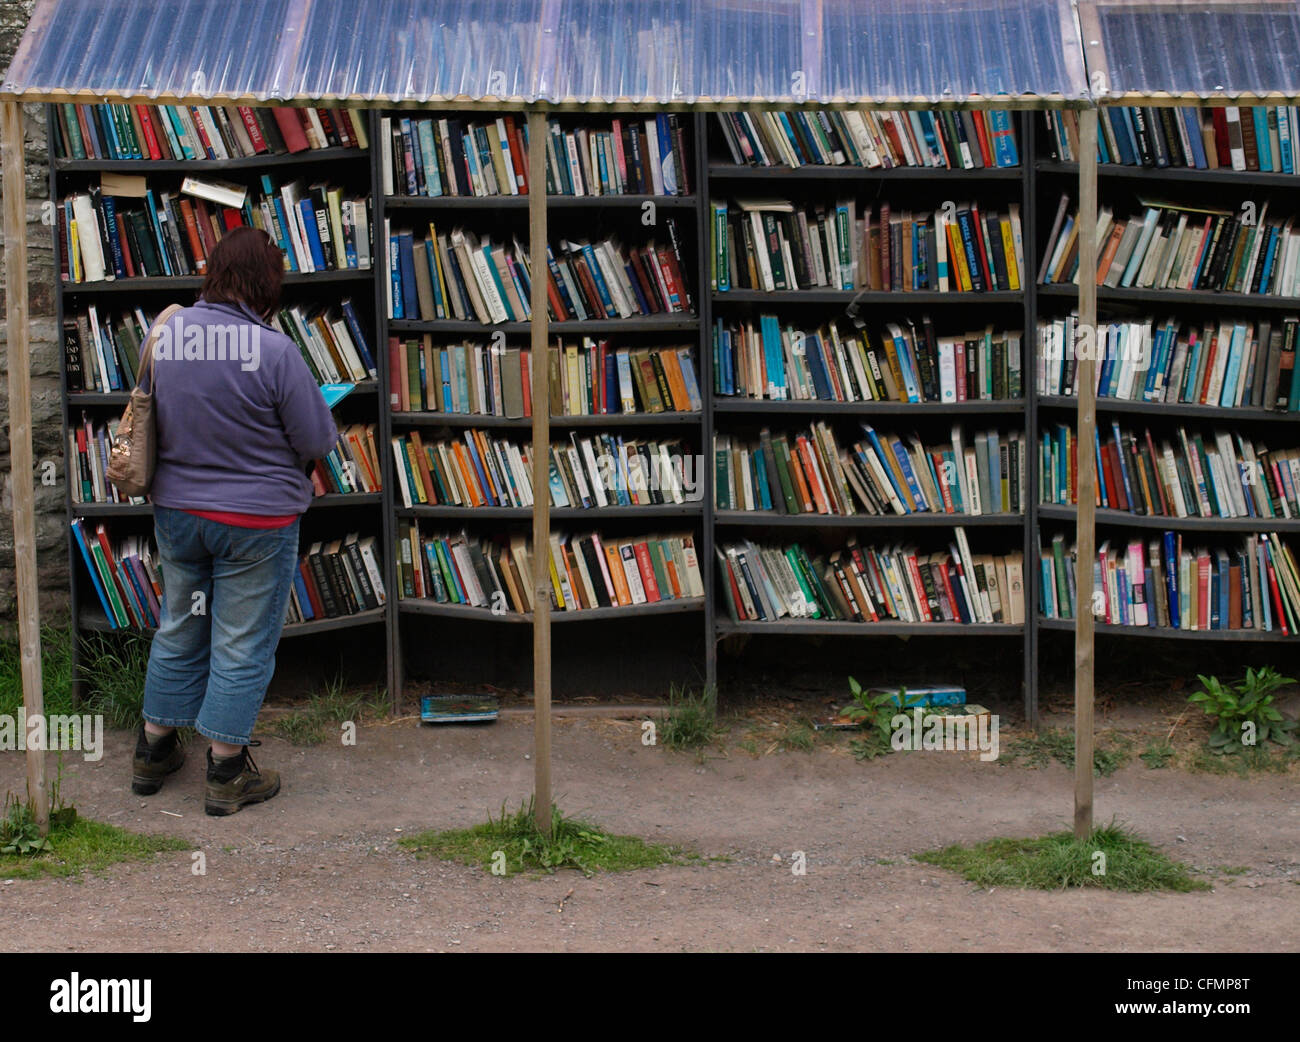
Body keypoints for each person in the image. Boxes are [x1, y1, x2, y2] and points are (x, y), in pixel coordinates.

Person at [130, 226, 338, 815]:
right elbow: (316, 438)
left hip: (179, 514)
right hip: (256, 523)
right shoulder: (274, 351)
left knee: (180, 625)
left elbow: (150, 412)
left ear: (214, 274)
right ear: (266, 283)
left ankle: (153, 752)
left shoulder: (165, 335)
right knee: (241, 643)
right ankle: (225, 773)